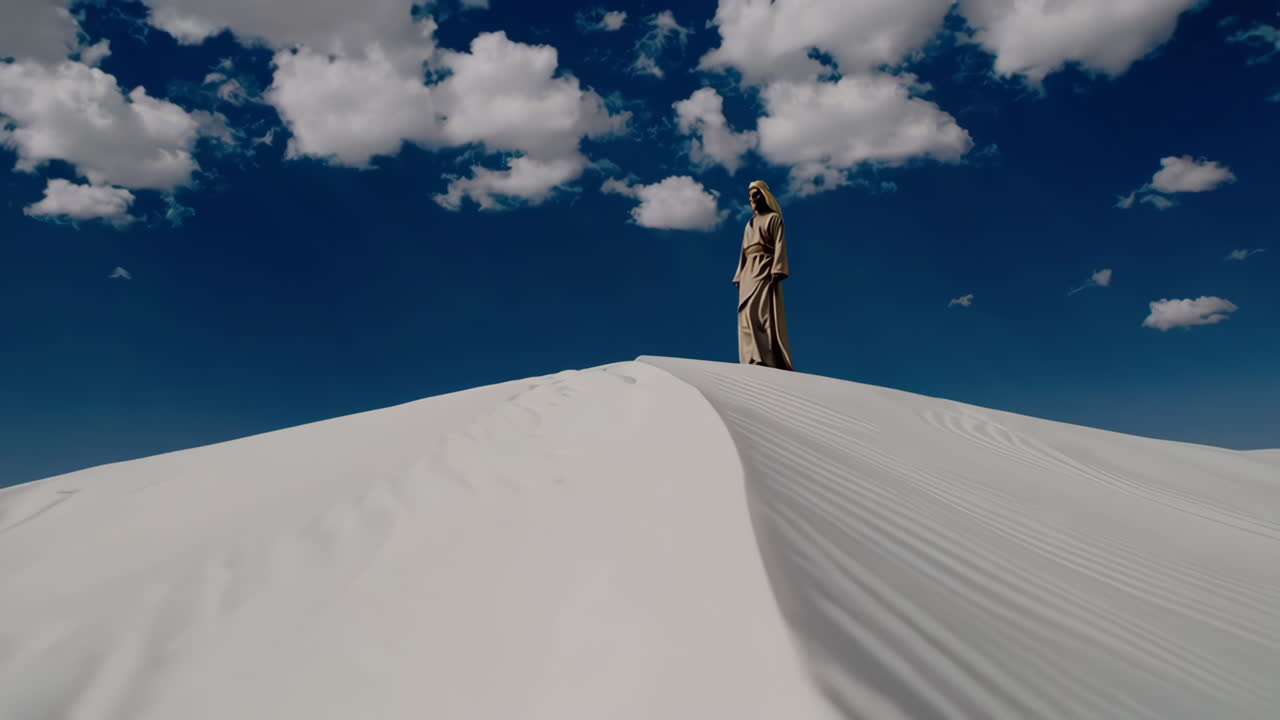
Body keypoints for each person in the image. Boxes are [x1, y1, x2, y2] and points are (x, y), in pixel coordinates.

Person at [732, 180, 794, 371]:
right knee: (745, 315)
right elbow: (743, 252)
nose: (753, 199)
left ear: (764, 196)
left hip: (765, 268)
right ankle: (750, 357)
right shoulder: (749, 224)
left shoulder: (774, 218)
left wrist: (778, 268)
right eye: (751, 196)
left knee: (760, 314)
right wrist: (739, 274)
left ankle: (764, 358)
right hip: (749, 271)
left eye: (756, 194)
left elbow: (779, 244)